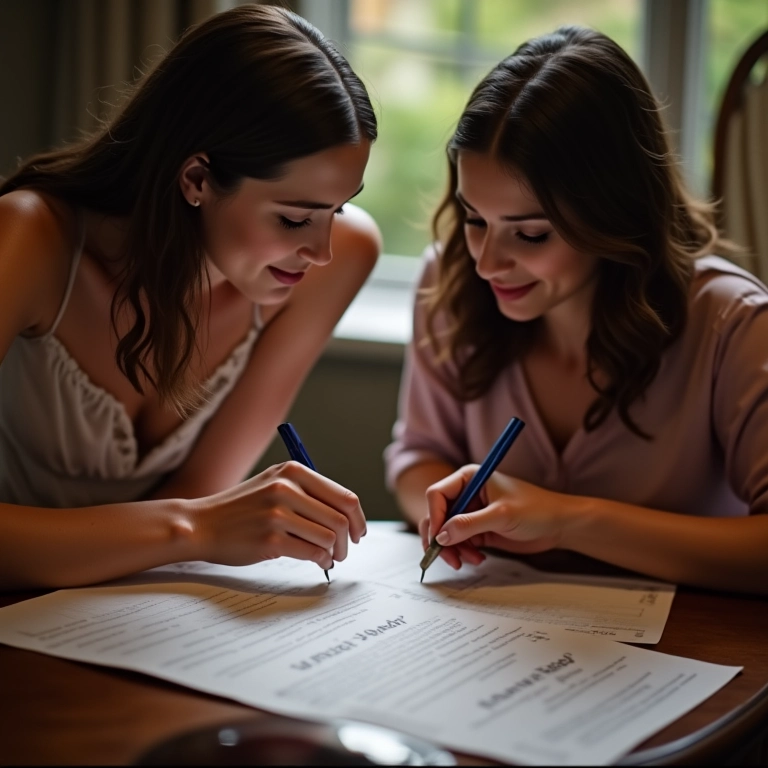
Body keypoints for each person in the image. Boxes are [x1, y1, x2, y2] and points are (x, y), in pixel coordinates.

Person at [0, 4, 381, 590]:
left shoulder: (337, 260)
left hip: (126, 613)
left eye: (339, 207)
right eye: (293, 218)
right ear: (198, 179)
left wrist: (200, 522)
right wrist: (197, 528)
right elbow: (197, 514)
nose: (323, 250)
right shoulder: (31, 239)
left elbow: (203, 486)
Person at [385, 25, 768, 595]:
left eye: (531, 234)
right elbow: (419, 454)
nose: (488, 262)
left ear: (614, 214)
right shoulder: (449, 282)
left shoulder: (732, 323)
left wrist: (566, 520)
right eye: (474, 219)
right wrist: (453, 515)